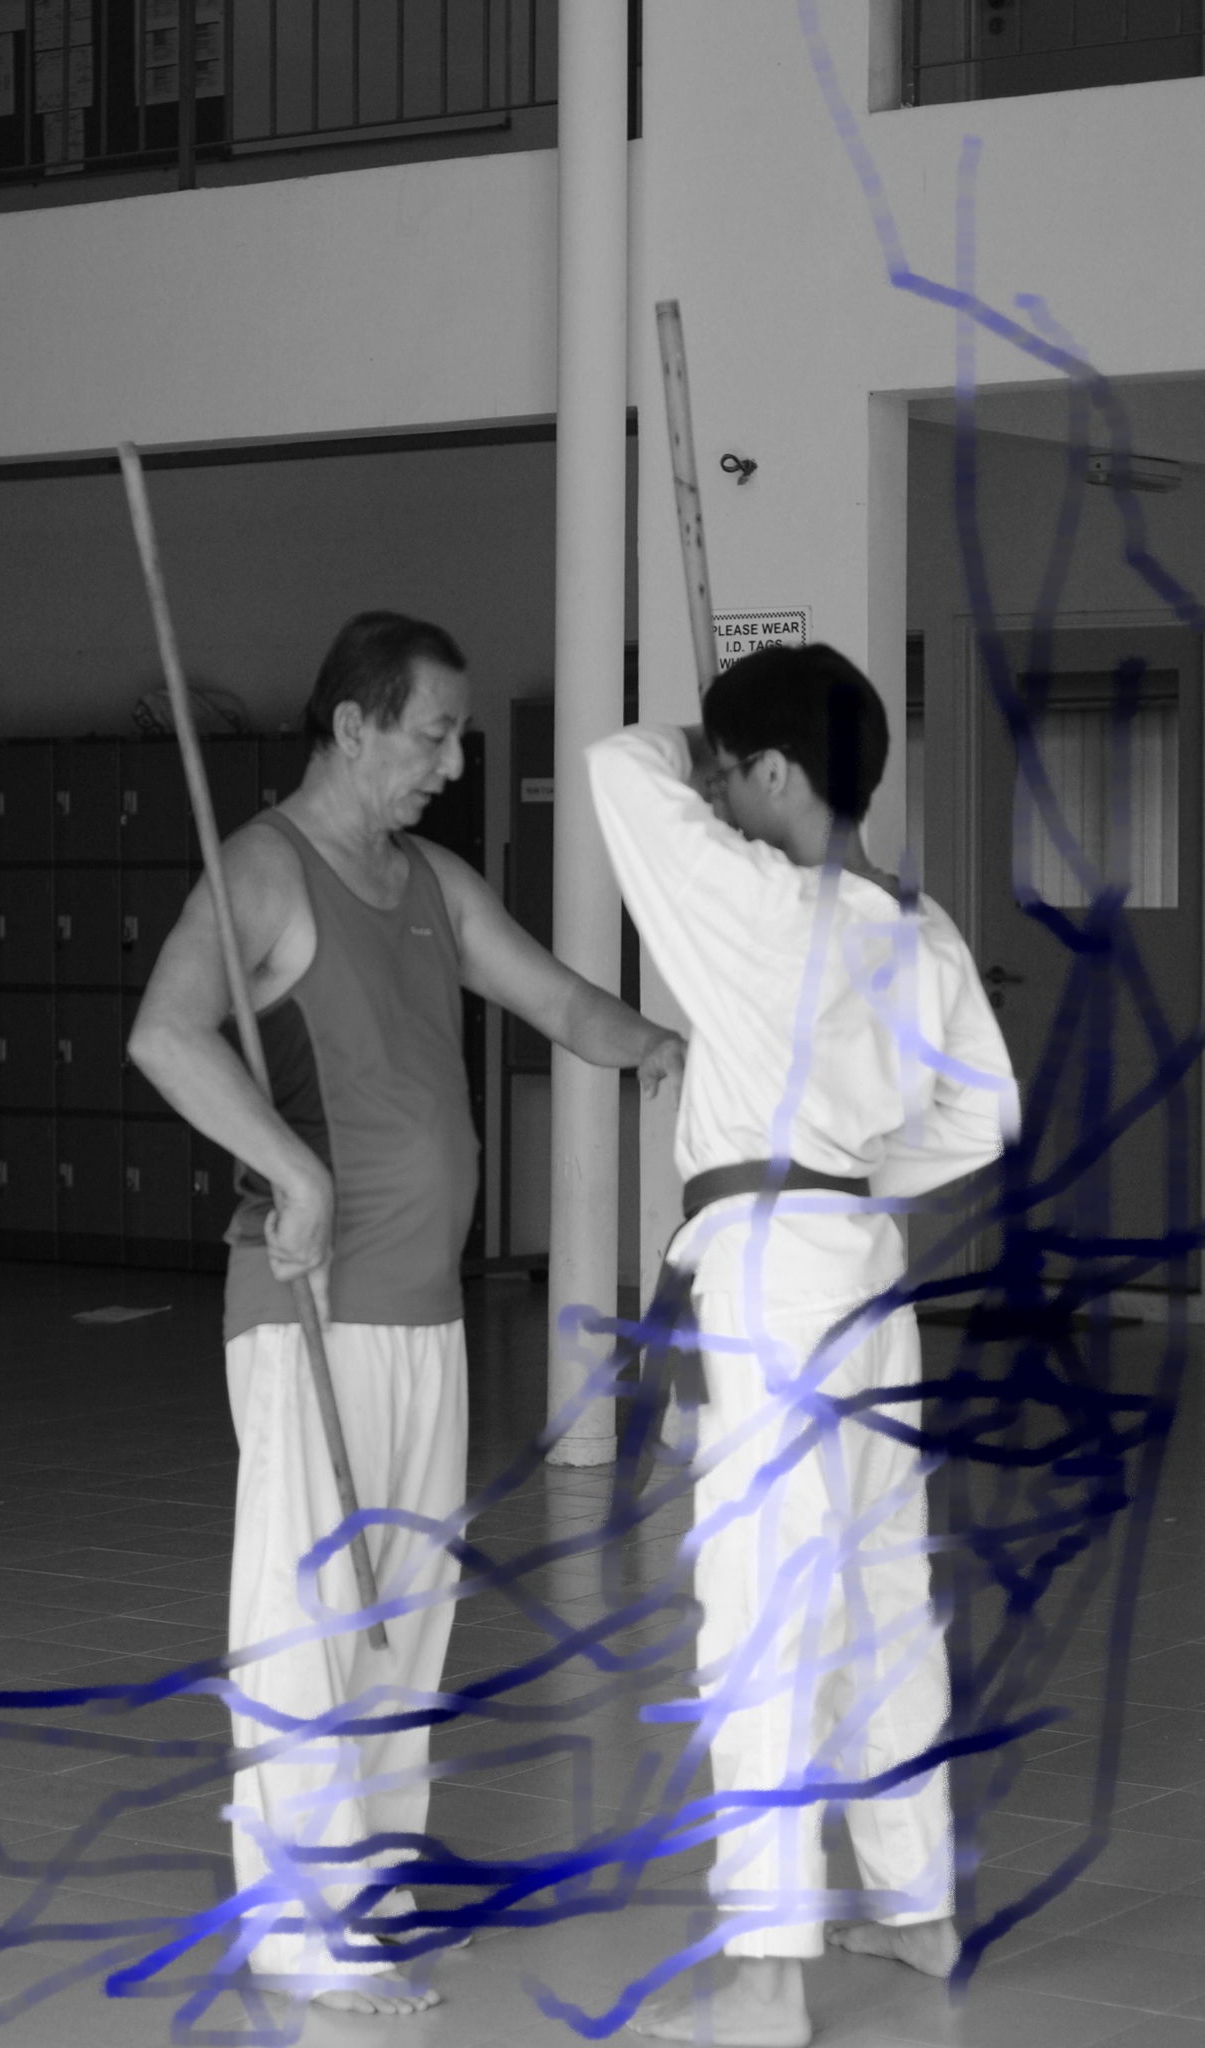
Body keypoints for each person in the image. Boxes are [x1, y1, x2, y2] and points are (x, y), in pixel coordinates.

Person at [128, 611, 685, 2019]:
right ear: (354, 726)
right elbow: (164, 1032)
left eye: (457, 737)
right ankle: (297, 1925)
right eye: (433, 734)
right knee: (310, 1611)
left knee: (403, 1615)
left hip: (426, 1312)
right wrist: (293, 1168)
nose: (449, 762)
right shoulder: (265, 870)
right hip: (309, 1308)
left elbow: (561, 1002)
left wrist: (668, 1047)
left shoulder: (431, 881)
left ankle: (367, 1884)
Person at [585, 642, 1016, 2048]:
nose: (712, 793)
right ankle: (916, 1905)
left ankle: (767, 1974)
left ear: (774, 771)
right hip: (864, 1265)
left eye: (733, 771)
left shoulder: (760, 904)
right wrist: (855, 1174)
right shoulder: (919, 929)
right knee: (883, 1591)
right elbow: (981, 1118)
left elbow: (616, 766)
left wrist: (699, 754)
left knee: (765, 1604)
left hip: (776, 1277)